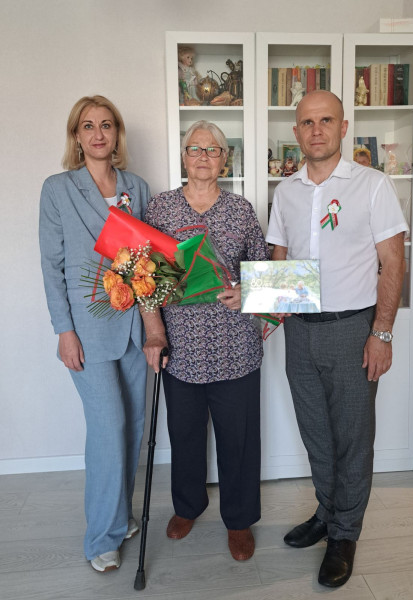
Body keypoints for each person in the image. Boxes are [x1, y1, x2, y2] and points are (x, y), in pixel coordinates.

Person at [266, 90, 407, 588]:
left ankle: (345, 534)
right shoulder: (285, 192)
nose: (317, 130)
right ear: (296, 132)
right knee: (316, 433)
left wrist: (381, 333)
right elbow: (279, 262)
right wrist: (258, 303)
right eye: (307, 122)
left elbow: (393, 262)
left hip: (353, 330)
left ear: (343, 127)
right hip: (300, 331)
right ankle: (327, 513)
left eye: (326, 120)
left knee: (353, 438)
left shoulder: (373, 184)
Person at [141, 120, 269, 561]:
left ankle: (239, 520)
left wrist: (246, 291)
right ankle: (188, 507)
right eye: (195, 148)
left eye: (213, 150)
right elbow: (143, 277)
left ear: (224, 160)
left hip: (236, 349)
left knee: (239, 440)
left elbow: (262, 270)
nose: (203, 156)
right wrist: (154, 333)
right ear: (183, 157)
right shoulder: (160, 209)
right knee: (185, 436)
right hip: (181, 350)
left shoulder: (241, 210)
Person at [39, 95, 150, 573]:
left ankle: (120, 516)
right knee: (108, 430)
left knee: (134, 427)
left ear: (117, 133)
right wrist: (64, 331)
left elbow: (146, 261)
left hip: (134, 328)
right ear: (76, 136)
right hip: (87, 331)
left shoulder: (137, 187)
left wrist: (153, 328)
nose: (98, 133)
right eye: (88, 126)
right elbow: (52, 266)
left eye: (107, 125)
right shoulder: (58, 189)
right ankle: (102, 537)